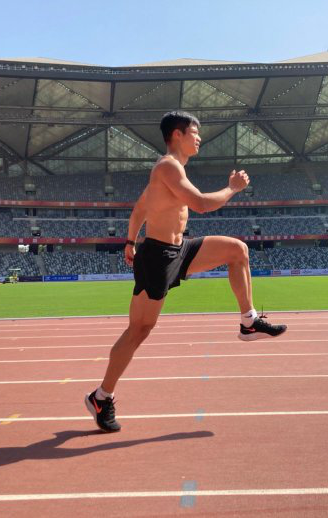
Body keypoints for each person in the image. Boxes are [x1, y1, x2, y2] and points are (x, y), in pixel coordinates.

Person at [85, 111, 287, 433]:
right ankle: (101, 396)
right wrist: (233, 188)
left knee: (237, 250)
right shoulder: (167, 166)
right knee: (139, 330)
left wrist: (128, 240)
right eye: (195, 132)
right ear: (176, 135)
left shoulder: (173, 170)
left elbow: (140, 207)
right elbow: (202, 204)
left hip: (180, 249)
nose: (199, 137)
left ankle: (249, 322)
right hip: (158, 257)